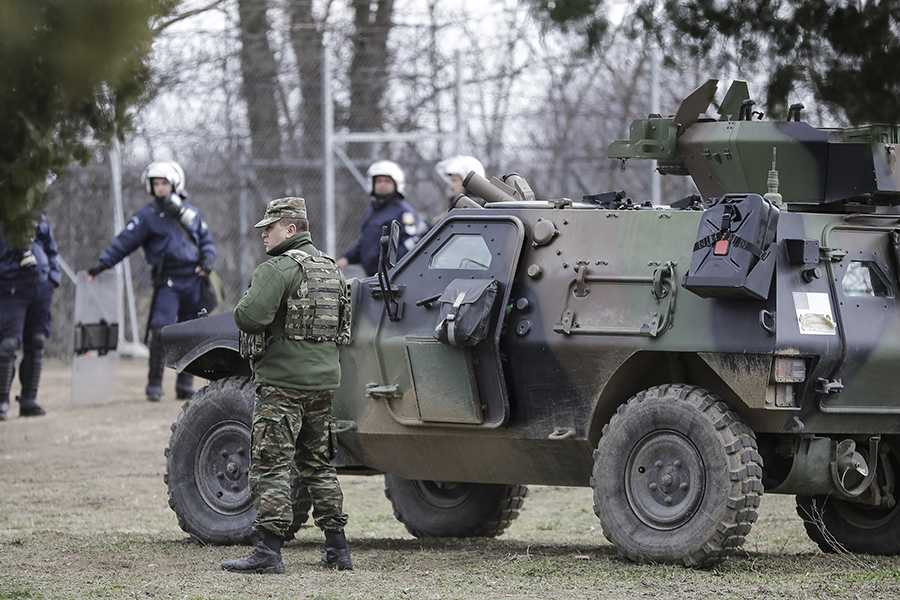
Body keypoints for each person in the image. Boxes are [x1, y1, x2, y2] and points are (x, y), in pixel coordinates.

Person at [222, 197, 352, 575]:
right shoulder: (331, 269)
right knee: (317, 463)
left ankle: (268, 551)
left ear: (291, 229)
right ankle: (337, 549)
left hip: (282, 384)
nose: (264, 234)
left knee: (270, 464)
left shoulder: (278, 269)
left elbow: (248, 316)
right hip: (324, 383)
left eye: (271, 227)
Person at [87, 160, 216, 402]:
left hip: (194, 280)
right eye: (155, 183)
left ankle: (184, 384)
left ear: (175, 183)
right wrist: (102, 264)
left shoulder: (192, 213)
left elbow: (207, 242)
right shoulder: (146, 216)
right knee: (160, 331)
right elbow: (123, 243)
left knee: (191, 331)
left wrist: (208, 261)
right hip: (168, 281)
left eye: (164, 183)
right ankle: (154, 384)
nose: (159, 188)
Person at [0, 215, 61, 420]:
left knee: (37, 341)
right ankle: (2, 401)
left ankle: (28, 400)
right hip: (11, 287)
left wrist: (53, 276)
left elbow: (50, 248)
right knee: (8, 345)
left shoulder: (37, 214)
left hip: (41, 285)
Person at [336, 160, 423, 276]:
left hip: (393, 277)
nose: (382, 184)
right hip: (374, 277)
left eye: (387, 181)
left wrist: (390, 266)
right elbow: (365, 243)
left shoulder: (404, 211)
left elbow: (410, 243)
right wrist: (347, 258)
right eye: (379, 181)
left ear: (397, 183)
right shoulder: (372, 212)